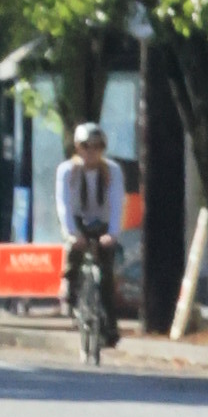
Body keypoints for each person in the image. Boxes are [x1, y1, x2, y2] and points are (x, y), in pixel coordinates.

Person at [55, 120, 123, 346]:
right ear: (77, 147)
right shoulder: (67, 171)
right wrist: (72, 233)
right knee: (74, 253)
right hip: (77, 220)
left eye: (97, 146)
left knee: (105, 272)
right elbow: (63, 205)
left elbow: (117, 204)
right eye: (86, 146)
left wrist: (112, 233)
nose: (91, 151)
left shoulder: (112, 171)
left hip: (101, 222)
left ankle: (109, 327)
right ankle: (70, 292)